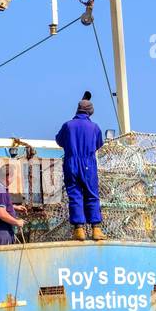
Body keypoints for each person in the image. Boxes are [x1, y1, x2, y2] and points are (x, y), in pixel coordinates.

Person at [55, 91, 104, 241]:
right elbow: (99, 144)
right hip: (88, 163)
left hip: (71, 163)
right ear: (90, 112)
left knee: (75, 195)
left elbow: (59, 140)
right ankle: (96, 229)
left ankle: (79, 230)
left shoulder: (68, 126)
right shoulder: (94, 127)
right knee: (91, 195)